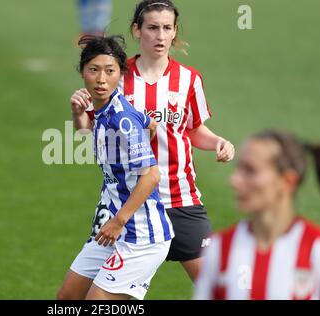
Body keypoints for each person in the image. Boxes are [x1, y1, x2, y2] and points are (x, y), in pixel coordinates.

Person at [66, 0, 235, 292]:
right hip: (128, 203)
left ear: (174, 32)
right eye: (152, 27)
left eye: (167, 28)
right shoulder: (116, 75)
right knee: (74, 295)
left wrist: (218, 141)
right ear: (137, 30)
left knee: (215, 289)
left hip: (179, 199)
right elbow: (90, 129)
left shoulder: (189, 80)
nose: (160, 35)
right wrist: (78, 112)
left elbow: (193, 130)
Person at [58, 35, 173, 300]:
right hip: (112, 229)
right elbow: (150, 126)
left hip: (139, 235)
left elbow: (152, 175)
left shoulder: (122, 118)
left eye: (110, 71)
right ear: (82, 72)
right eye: (94, 70)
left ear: (120, 73)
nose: (101, 79)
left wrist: (119, 221)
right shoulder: (106, 108)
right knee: (68, 298)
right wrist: (78, 114)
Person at [194, 130, 320, 300]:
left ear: (287, 181)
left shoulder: (315, 250)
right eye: (238, 169)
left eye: (250, 171)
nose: (235, 180)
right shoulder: (219, 248)